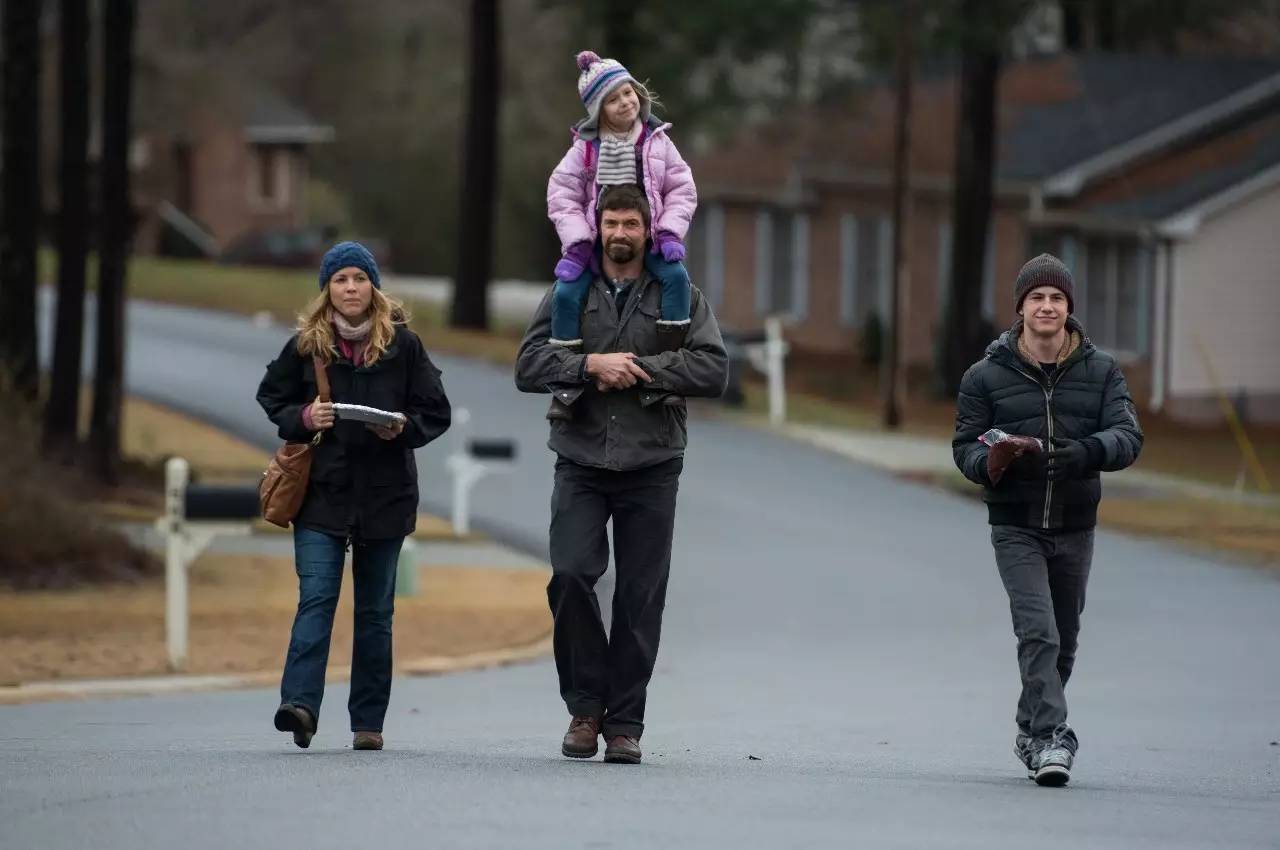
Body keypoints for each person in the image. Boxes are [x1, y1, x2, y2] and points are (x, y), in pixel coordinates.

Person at [515, 184, 728, 764]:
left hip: (652, 464)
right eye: (611, 223)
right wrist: (589, 364)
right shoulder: (569, 292)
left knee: (639, 597)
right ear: (597, 227)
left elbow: (713, 369)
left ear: (648, 229)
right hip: (580, 459)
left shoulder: (680, 295)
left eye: (631, 223)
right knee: (570, 576)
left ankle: (624, 725)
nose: (620, 233)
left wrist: (639, 369)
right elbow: (528, 364)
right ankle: (585, 709)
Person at [953, 253, 1143, 786]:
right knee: (1037, 631)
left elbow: (1128, 436)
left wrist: (1087, 452)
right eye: (1036, 297)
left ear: (1068, 308)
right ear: (1020, 308)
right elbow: (965, 446)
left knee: (1064, 640)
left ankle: (1030, 731)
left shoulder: (1101, 371)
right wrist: (992, 463)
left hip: (1075, 524)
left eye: (1056, 298)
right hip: (1015, 525)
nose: (1046, 306)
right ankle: (1054, 738)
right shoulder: (985, 376)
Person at [256, 241, 451, 751]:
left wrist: (403, 427)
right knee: (316, 600)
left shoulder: (404, 346)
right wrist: (304, 417)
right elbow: (272, 397)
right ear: (327, 289)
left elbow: (436, 411)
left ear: (374, 287)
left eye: (359, 278)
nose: (350, 288)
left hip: (386, 497)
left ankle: (368, 722)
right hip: (322, 495)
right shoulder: (306, 345)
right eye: (340, 279)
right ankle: (300, 706)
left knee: (374, 614)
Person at [544, 49, 698, 420]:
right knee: (566, 293)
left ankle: (665, 376)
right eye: (613, 99)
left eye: (628, 92)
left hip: (650, 238)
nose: (625, 102)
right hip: (599, 242)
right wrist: (579, 241)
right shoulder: (585, 149)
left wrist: (669, 232)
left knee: (676, 279)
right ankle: (567, 388)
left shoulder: (657, 141)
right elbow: (561, 194)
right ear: (599, 111)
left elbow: (682, 189)